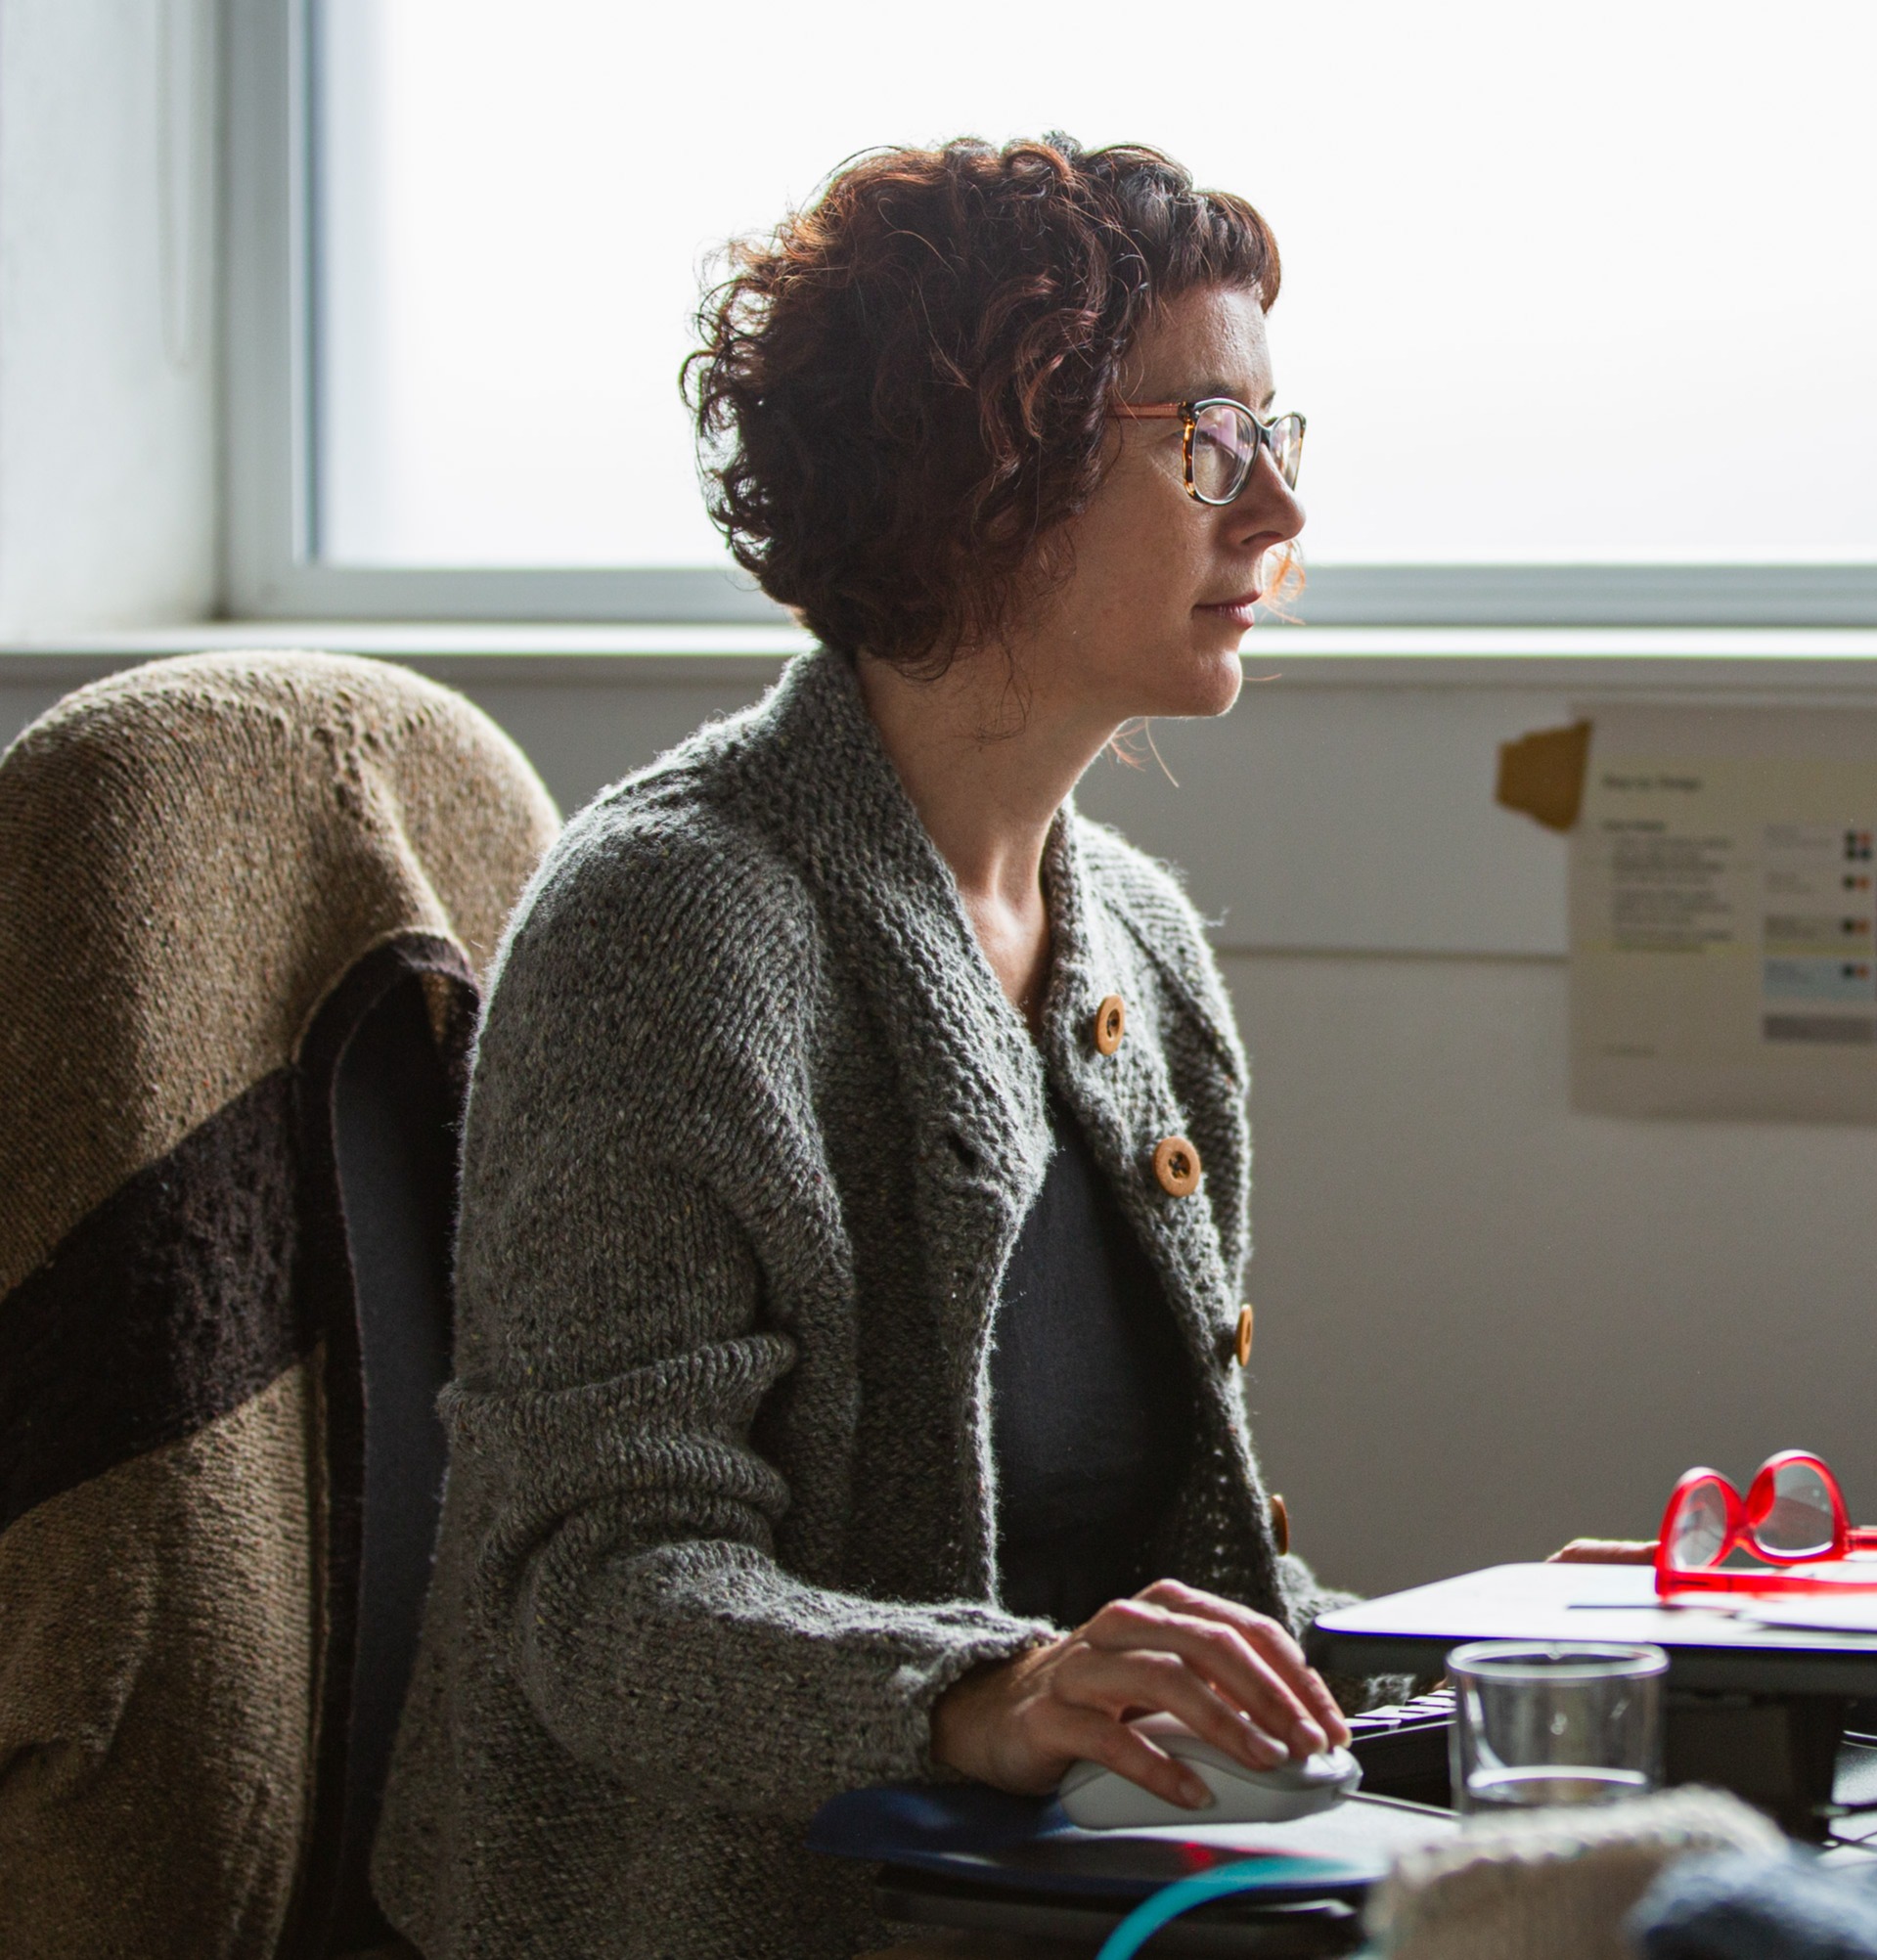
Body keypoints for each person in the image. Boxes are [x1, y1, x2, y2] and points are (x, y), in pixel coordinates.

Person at [374, 137, 1352, 1960]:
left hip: (1054, 1890)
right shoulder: (673, 926)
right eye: (1212, 436)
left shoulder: (1137, 940)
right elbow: (596, 1594)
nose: (1278, 512)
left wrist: (1486, 1653)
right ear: (998, 468)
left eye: (1282, 437)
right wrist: (984, 1696)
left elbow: (1174, 1573)